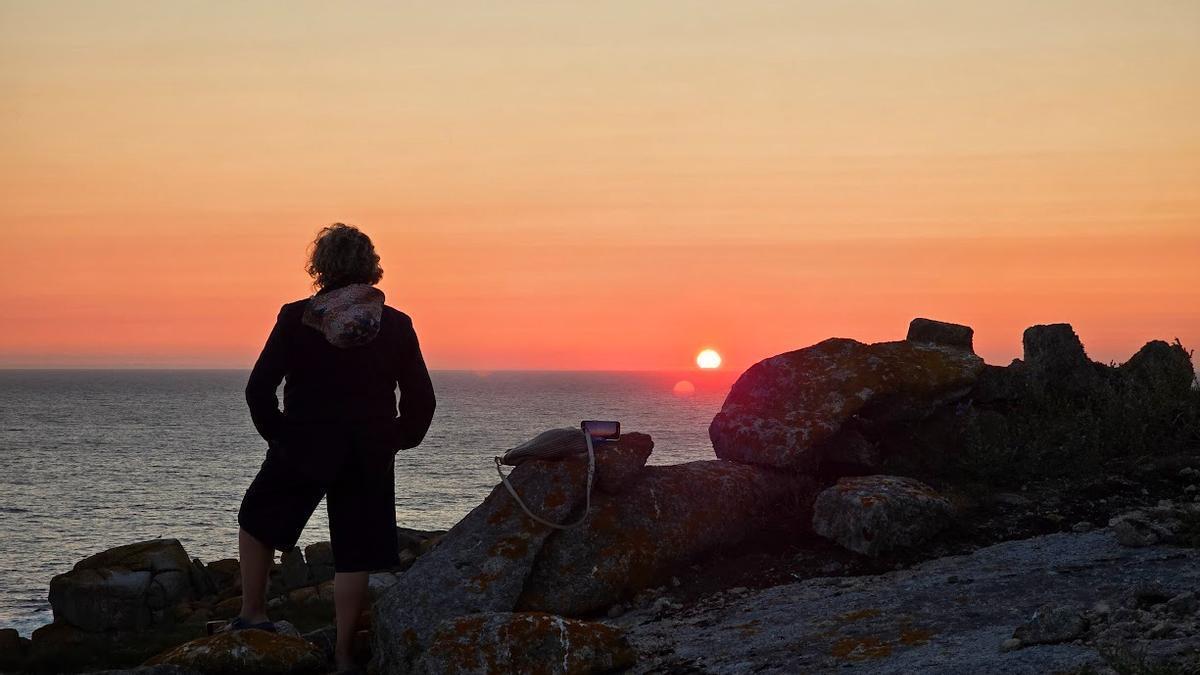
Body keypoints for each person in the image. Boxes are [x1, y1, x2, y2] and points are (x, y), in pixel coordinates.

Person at [234, 223, 435, 672]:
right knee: (356, 550)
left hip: (305, 441)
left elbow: (258, 390)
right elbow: (422, 399)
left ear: (320, 267)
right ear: (370, 267)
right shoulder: (396, 325)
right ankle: (344, 656)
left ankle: (253, 615)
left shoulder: (296, 317)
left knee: (257, 518)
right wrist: (396, 439)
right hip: (368, 448)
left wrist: (280, 435)